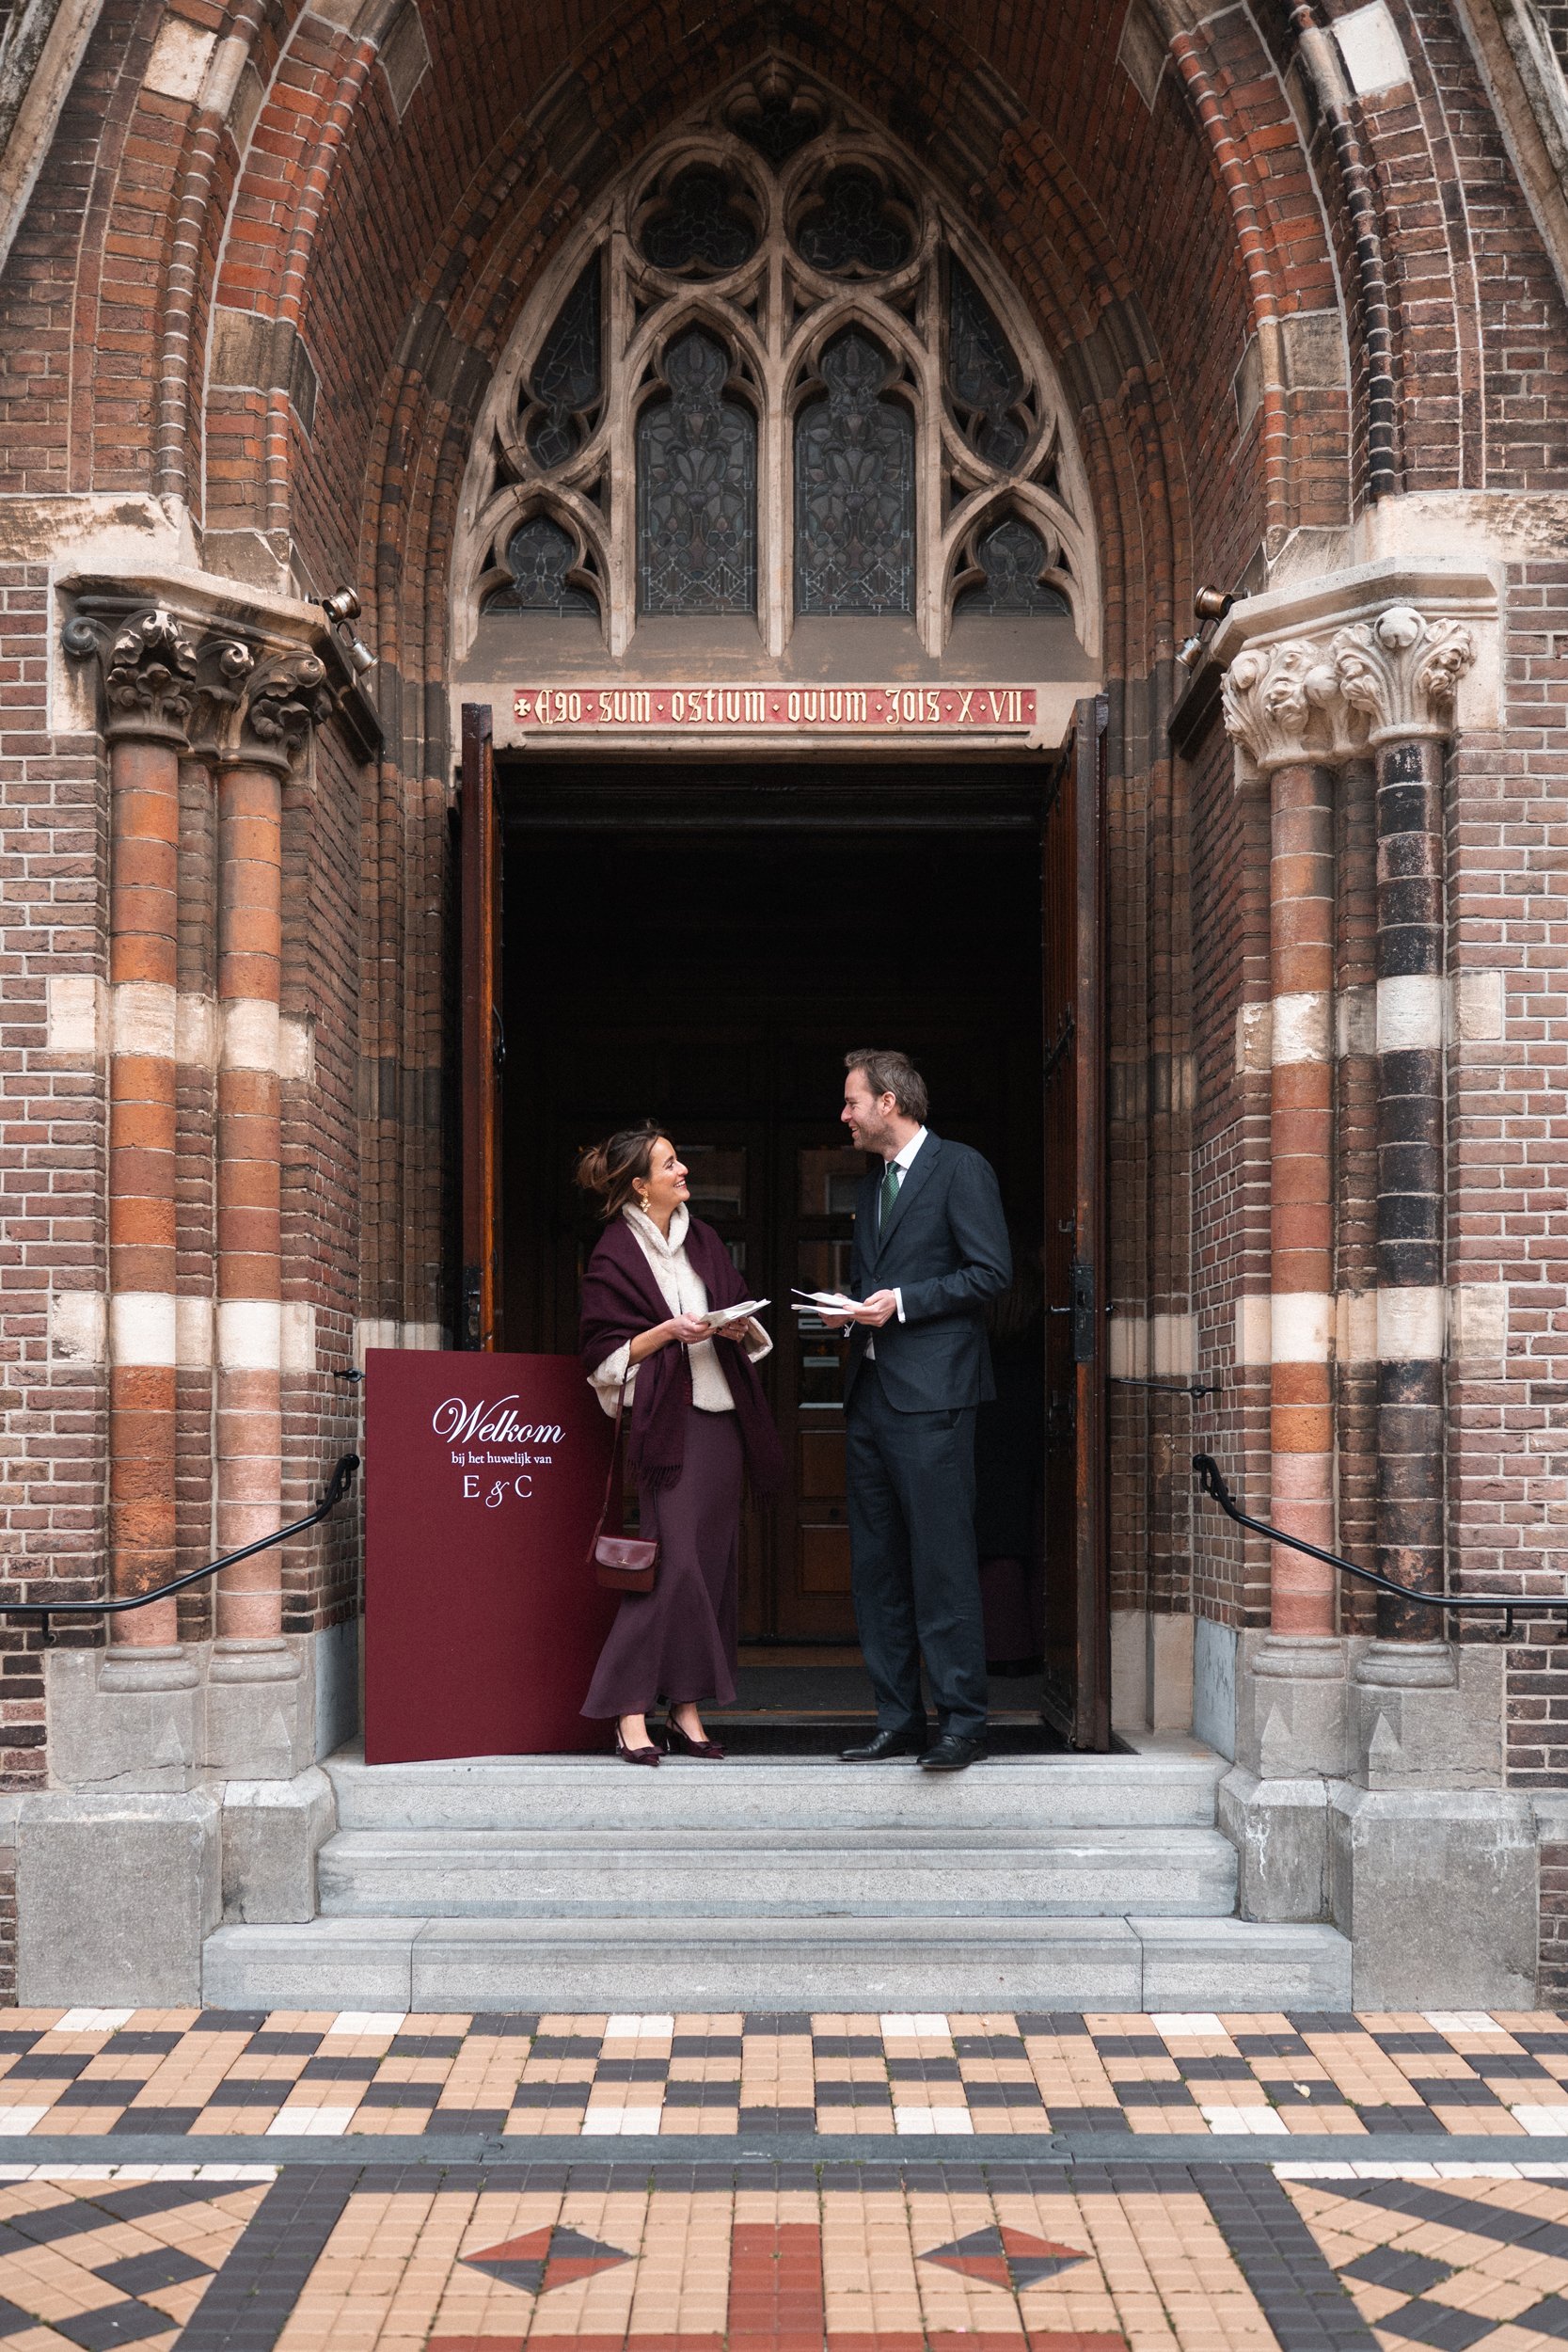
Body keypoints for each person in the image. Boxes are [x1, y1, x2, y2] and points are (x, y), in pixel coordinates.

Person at [578, 1123, 784, 1766]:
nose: (684, 1171)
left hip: (721, 1422)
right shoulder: (614, 1253)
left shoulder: (706, 1240)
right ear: (640, 1186)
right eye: (670, 1164)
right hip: (668, 1426)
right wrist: (665, 1332)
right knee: (674, 1569)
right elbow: (602, 1353)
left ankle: (685, 1707)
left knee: (710, 1570)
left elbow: (737, 1320)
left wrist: (734, 1326)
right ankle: (628, 1709)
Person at [829, 1051, 1011, 1772]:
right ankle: (897, 1720)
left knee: (940, 1565)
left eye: (851, 1102)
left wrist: (900, 1304)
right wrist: (849, 1310)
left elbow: (989, 1272)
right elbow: (873, 1280)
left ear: (890, 1101)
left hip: (934, 1399)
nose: (844, 1116)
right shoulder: (872, 1184)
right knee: (876, 1570)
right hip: (871, 1396)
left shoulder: (960, 1168)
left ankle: (962, 1723)